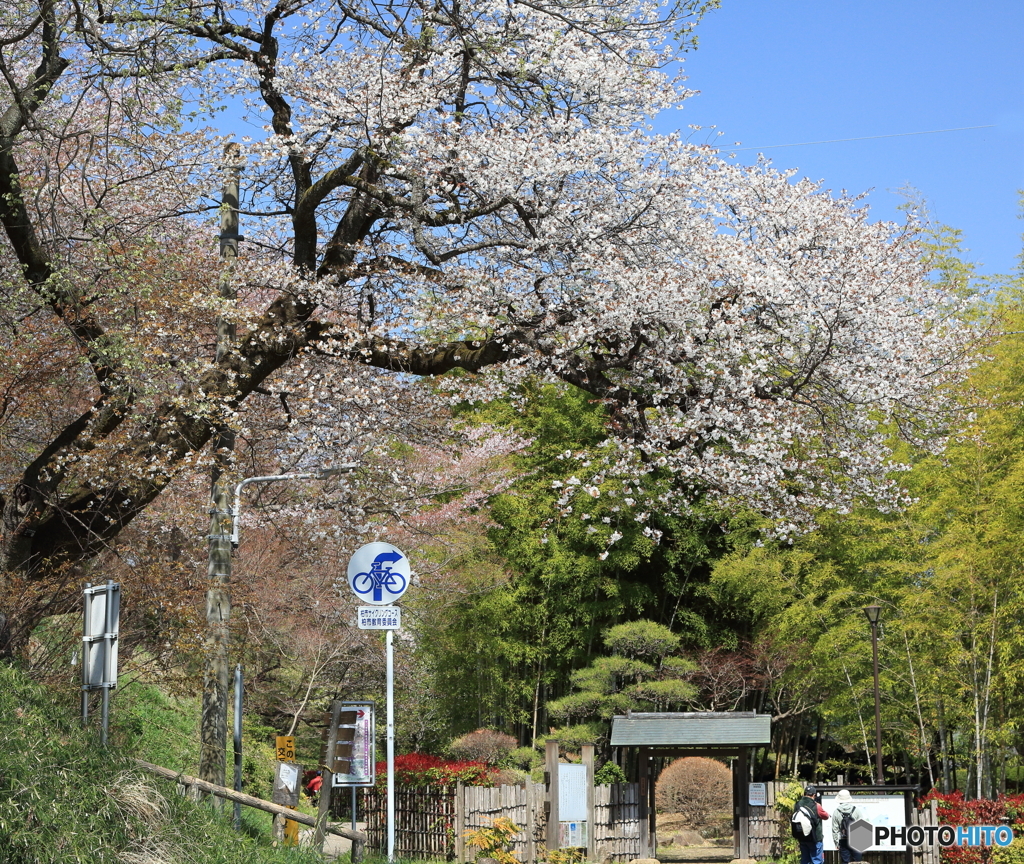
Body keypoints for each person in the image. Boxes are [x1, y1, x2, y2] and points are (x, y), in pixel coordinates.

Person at [794, 784, 830, 864]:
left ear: (804, 794)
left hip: (802, 836)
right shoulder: (816, 805)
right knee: (816, 859)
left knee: (805, 859)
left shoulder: (797, 804)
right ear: (814, 795)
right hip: (815, 837)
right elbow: (826, 816)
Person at [832, 789, 864, 864]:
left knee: (845, 861)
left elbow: (835, 830)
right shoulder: (856, 810)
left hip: (843, 840)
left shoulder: (836, 812)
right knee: (857, 862)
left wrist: (836, 843)